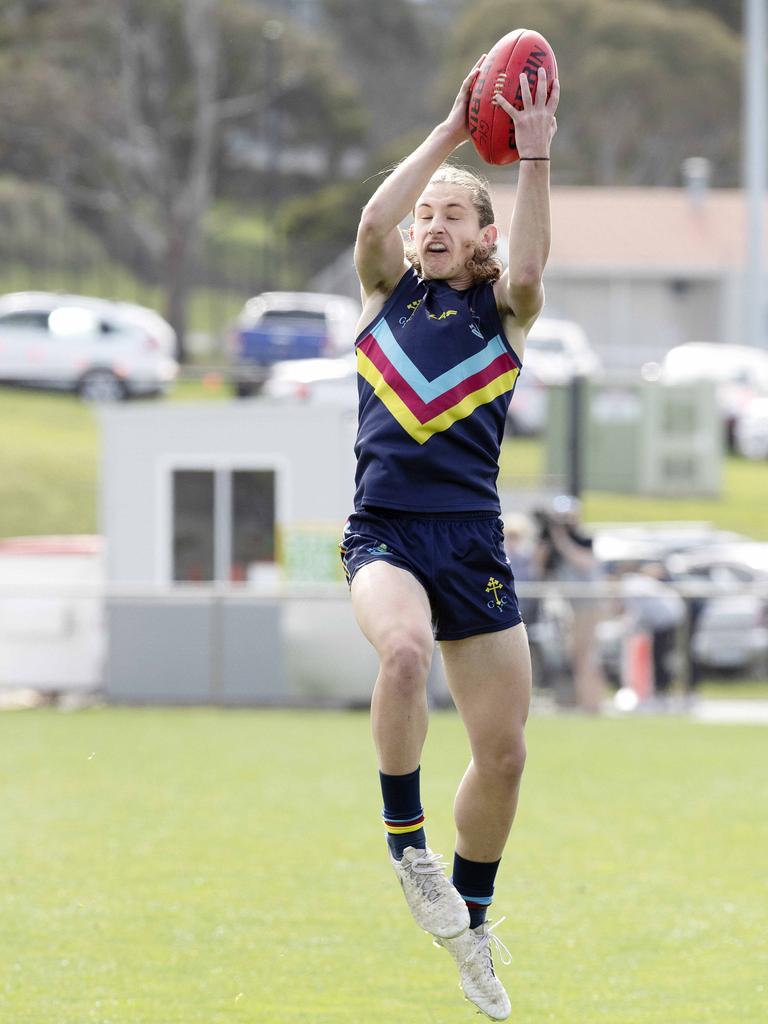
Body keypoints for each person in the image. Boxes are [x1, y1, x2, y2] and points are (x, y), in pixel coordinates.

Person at [338, 55, 559, 1021]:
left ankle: (470, 926)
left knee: (504, 753)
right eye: (427, 214)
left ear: (483, 238)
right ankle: (406, 846)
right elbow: (371, 225)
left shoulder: (503, 313)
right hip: (384, 531)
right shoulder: (383, 293)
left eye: (453, 215)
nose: (430, 225)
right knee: (401, 652)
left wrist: (535, 159)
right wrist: (450, 135)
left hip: (470, 541)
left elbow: (537, 266)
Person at [532, 494, 608, 712]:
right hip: (570, 607)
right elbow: (538, 570)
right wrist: (546, 542)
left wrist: (561, 538)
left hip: (588, 603)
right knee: (576, 654)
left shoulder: (583, 539)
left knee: (587, 653)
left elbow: (584, 563)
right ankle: (583, 700)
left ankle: (592, 702)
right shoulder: (553, 543)